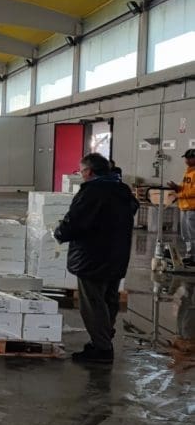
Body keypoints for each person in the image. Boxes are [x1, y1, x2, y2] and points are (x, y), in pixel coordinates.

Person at [54, 152, 139, 363]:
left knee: (92, 303)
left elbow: (75, 222)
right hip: (117, 255)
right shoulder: (122, 190)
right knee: (109, 299)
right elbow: (131, 209)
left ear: (89, 171)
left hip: (92, 257)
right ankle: (103, 340)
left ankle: (102, 349)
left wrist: (60, 233)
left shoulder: (91, 192)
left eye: (82, 171)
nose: (81, 175)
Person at [168, 148, 195, 266]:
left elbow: (193, 191)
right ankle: (190, 255)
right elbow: (185, 188)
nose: (186, 160)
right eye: (186, 158)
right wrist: (176, 187)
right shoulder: (188, 172)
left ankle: (194, 257)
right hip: (184, 207)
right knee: (186, 235)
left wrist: (179, 195)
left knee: (192, 234)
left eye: (189, 158)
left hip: (192, 208)